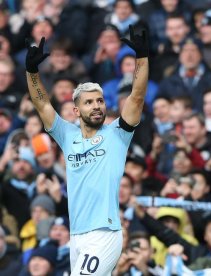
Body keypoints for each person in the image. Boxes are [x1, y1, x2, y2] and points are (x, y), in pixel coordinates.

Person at [24, 23, 149, 275]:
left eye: (100, 101)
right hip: (77, 236)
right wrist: (32, 71)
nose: (96, 106)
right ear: (76, 111)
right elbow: (41, 103)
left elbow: (136, 96)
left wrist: (142, 58)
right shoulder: (66, 134)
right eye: (89, 102)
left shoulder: (118, 134)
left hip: (104, 233)